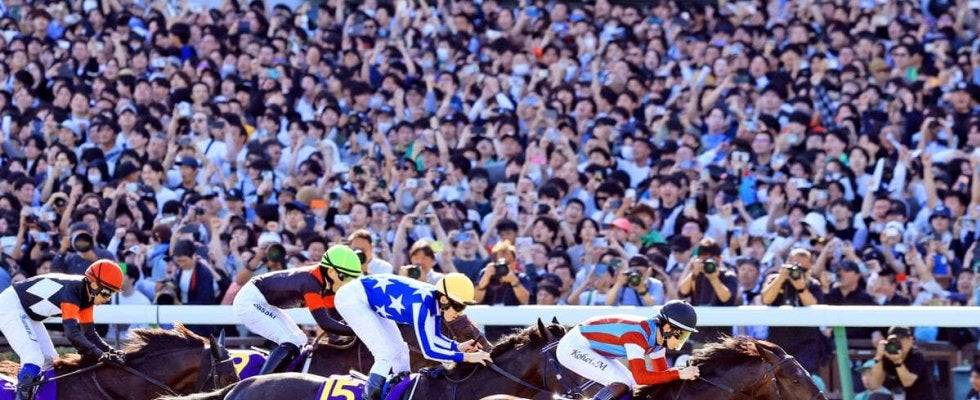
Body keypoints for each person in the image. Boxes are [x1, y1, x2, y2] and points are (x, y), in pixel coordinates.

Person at [334, 272, 492, 400]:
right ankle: (368, 398)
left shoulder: (435, 303)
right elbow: (429, 351)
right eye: (458, 306)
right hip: (352, 299)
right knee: (385, 352)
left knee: (401, 351)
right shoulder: (422, 305)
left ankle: (399, 392)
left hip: (369, 301)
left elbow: (435, 336)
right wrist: (466, 357)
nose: (459, 312)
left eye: (463, 307)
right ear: (444, 299)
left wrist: (457, 347)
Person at [0, 260, 125, 400]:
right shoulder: (73, 291)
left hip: (27, 313)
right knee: (34, 358)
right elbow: (72, 333)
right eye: (107, 292)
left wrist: (110, 351)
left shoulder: (87, 297)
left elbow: (89, 334)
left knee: (50, 361)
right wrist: (100, 354)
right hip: (10, 306)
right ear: (94, 285)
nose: (108, 298)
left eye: (112, 294)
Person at [233, 245, 363, 375]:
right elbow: (325, 323)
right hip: (250, 301)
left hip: (263, 301)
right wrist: (359, 330)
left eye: (352, 279)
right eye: (346, 278)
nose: (348, 284)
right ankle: (262, 383)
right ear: (331, 272)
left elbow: (335, 319)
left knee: (301, 340)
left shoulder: (329, 286)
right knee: (291, 340)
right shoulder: (310, 283)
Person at [555, 300, 701, 400]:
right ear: (667, 328)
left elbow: (661, 375)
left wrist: (680, 377)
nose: (682, 341)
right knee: (623, 382)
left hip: (591, 347)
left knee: (632, 384)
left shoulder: (659, 339)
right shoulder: (637, 334)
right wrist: (679, 373)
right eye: (682, 335)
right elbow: (641, 377)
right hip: (573, 347)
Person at [869, 327, 939, 400]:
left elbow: (908, 382)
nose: (898, 342)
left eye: (901, 339)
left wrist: (897, 361)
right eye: (894, 339)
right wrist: (879, 357)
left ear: (910, 340)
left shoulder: (916, 355)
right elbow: (874, 384)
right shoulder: (888, 354)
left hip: (921, 397)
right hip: (898, 397)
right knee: (875, 397)